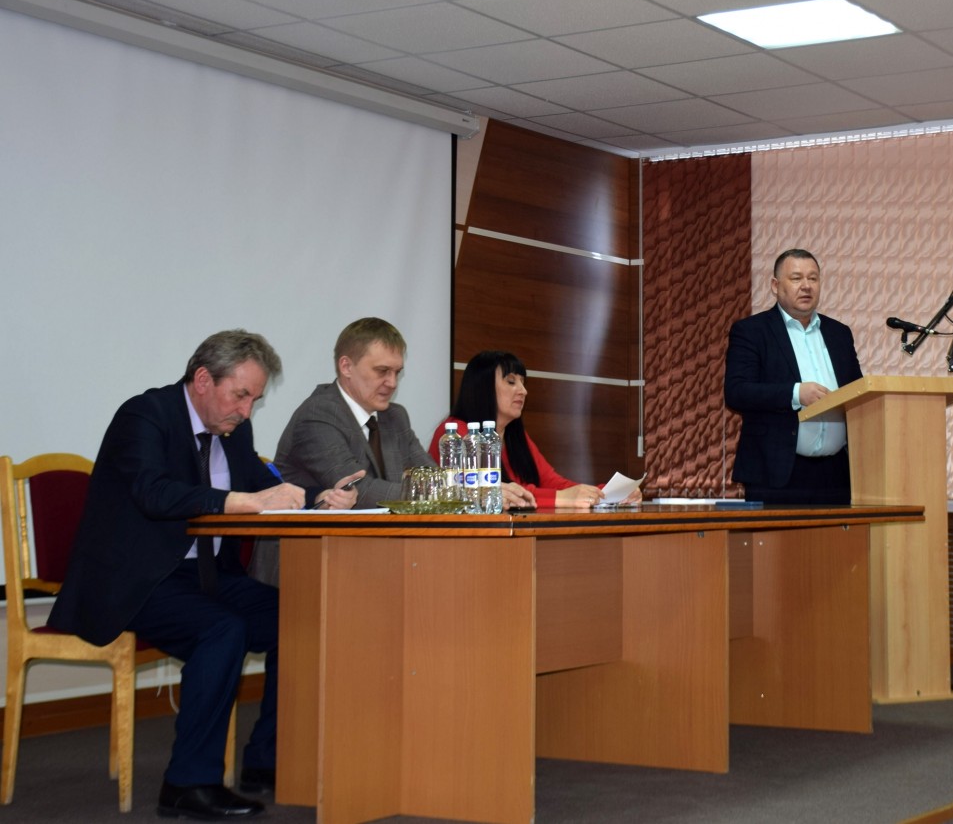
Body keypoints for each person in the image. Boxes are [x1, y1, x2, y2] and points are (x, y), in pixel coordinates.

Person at [48, 329, 360, 820]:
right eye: (241, 395)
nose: (247, 411)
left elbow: (262, 486)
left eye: (254, 400)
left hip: (207, 577)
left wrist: (317, 499)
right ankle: (187, 784)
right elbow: (154, 492)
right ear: (202, 380)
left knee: (301, 616)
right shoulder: (144, 416)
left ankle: (268, 761)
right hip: (141, 581)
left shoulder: (235, 430)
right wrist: (239, 501)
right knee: (222, 630)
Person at [273, 318, 533, 512]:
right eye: (382, 371)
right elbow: (359, 491)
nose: (392, 383)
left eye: (397, 372)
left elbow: (434, 477)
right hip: (307, 555)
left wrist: (479, 489)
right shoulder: (319, 415)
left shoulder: (394, 417)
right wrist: (471, 493)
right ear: (346, 366)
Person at [724, 248, 864, 504]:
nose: (806, 286)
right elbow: (737, 392)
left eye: (813, 278)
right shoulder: (752, 331)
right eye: (797, 278)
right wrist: (796, 393)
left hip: (836, 474)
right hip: (777, 473)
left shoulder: (839, 333)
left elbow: (856, 391)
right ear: (775, 286)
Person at [429, 350, 639, 509]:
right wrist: (561, 498)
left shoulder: (514, 434)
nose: (523, 391)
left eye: (523, 383)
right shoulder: (456, 434)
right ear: (483, 388)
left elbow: (553, 482)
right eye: (511, 382)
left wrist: (608, 493)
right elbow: (486, 493)